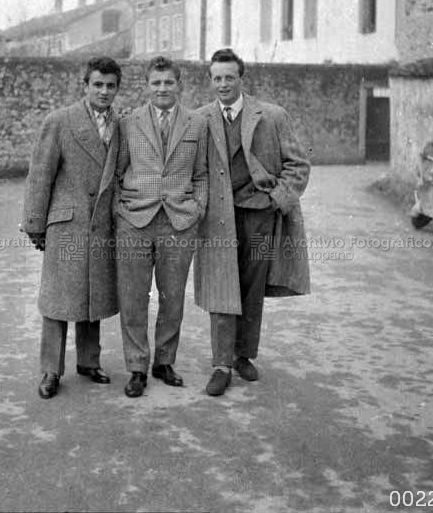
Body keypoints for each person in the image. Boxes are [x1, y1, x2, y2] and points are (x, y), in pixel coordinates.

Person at [194, 48, 311, 396]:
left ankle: (243, 355)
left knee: (251, 289)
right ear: (210, 80)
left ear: (241, 78)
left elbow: (299, 165)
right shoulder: (200, 119)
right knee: (220, 288)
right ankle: (220, 365)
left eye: (230, 77)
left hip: (259, 215)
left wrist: (278, 199)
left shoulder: (272, 116)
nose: (223, 84)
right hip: (217, 220)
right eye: (217, 78)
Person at [22, 56, 122, 399]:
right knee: (58, 301)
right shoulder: (60, 121)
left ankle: (88, 362)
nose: (104, 92)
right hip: (67, 225)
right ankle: (50, 370)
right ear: (85, 85)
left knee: (91, 295)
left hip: (101, 224)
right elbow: (40, 175)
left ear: (117, 89)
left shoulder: (119, 125)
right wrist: (35, 224)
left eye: (110, 86)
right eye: (97, 84)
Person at [115, 56, 208, 398]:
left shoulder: (196, 123)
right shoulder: (128, 123)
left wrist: (197, 209)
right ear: (147, 86)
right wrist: (120, 212)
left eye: (168, 82)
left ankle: (164, 362)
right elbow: (116, 170)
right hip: (135, 221)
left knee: (172, 299)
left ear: (179, 84)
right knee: (133, 298)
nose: (162, 88)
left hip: (179, 223)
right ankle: (137, 367)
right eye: (156, 83)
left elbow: (201, 174)